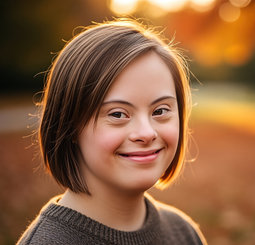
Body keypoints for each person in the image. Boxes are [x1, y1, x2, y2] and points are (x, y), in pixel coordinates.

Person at [17, 19, 206, 245]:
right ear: (69, 125)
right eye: (117, 114)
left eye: (160, 110)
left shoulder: (183, 233)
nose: (146, 133)